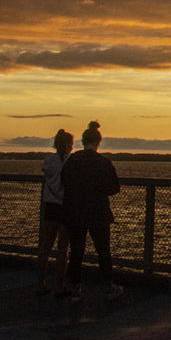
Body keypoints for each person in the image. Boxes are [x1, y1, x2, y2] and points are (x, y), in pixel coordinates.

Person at [62, 121, 123, 303]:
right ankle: (108, 285)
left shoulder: (72, 161)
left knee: (76, 251)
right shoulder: (103, 163)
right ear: (99, 142)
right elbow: (114, 188)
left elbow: (64, 182)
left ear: (82, 141)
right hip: (98, 211)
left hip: (76, 211)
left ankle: (76, 288)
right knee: (103, 250)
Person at [35, 129, 73, 296]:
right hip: (65, 207)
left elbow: (47, 173)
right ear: (67, 145)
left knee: (46, 246)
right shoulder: (69, 163)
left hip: (50, 205)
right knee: (63, 248)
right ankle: (59, 286)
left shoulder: (49, 161)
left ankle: (40, 283)